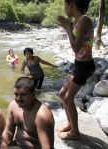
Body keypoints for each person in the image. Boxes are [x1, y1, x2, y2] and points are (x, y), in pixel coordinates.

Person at [55, 0, 95, 140]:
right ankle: (69, 123)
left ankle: (75, 133)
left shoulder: (84, 20)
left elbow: (76, 48)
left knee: (68, 98)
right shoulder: (79, 20)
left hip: (85, 66)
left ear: (71, 4)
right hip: (78, 65)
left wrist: (67, 29)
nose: (64, 9)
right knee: (62, 94)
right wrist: (69, 26)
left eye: (65, 5)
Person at [0, 77, 54, 149]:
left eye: (23, 94)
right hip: (16, 144)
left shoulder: (42, 114)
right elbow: (8, 131)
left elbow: (47, 147)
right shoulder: (13, 106)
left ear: (34, 93)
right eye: (16, 94)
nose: (19, 98)